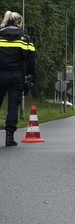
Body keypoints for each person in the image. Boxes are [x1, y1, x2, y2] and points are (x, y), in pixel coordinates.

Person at [0, 11, 36, 146]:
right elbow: (31, 59)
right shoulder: (25, 38)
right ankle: (9, 137)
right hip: (17, 76)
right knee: (13, 106)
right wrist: (31, 77)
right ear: (18, 22)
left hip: (0, 75)